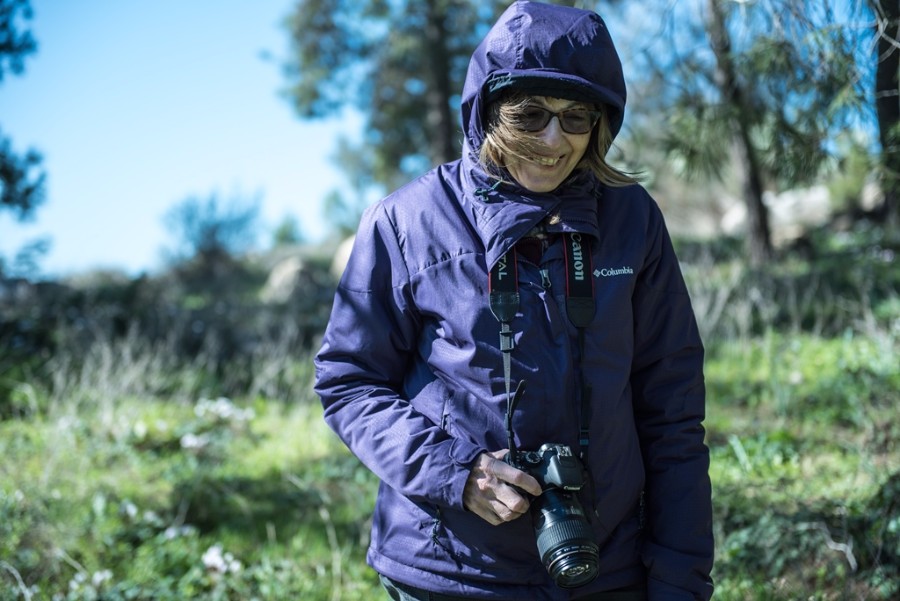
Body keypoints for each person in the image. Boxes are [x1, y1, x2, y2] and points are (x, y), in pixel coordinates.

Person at [314, 1, 714, 599]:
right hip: (448, 572)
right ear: (488, 112)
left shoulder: (632, 219)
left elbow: (673, 410)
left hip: (608, 569)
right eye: (529, 114)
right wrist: (456, 474)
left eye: (576, 117)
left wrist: (681, 577)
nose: (553, 140)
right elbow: (349, 380)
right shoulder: (406, 221)